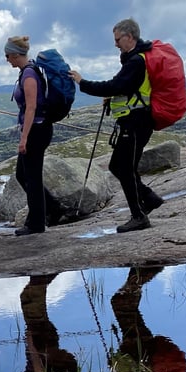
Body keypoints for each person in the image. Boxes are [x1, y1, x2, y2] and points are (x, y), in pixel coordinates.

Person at [68, 18, 165, 233]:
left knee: (124, 168)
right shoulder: (134, 59)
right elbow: (125, 87)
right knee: (118, 166)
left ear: (129, 37)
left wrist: (82, 82)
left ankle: (139, 215)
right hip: (136, 121)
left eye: (117, 39)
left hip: (136, 122)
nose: (115, 44)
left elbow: (115, 85)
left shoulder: (136, 61)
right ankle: (149, 199)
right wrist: (113, 97)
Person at [108, 266, 186, 372]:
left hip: (167, 357)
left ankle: (138, 274)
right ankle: (144, 272)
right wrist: (113, 363)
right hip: (153, 357)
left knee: (129, 312)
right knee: (120, 303)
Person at [6, 36, 61, 236]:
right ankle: (53, 209)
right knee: (23, 174)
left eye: (7, 55)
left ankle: (36, 223)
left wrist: (24, 138)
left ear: (14, 54)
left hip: (37, 130)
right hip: (38, 128)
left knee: (32, 177)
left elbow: (31, 107)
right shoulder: (30, 71)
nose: (6, 60)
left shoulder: (29, 74)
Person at [16, 274, 79, 372]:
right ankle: (45, 273)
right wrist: (31, 345)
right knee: (31, 305)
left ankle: (45, 275)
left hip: (49, 348)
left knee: (31, 302)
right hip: (43, 347)